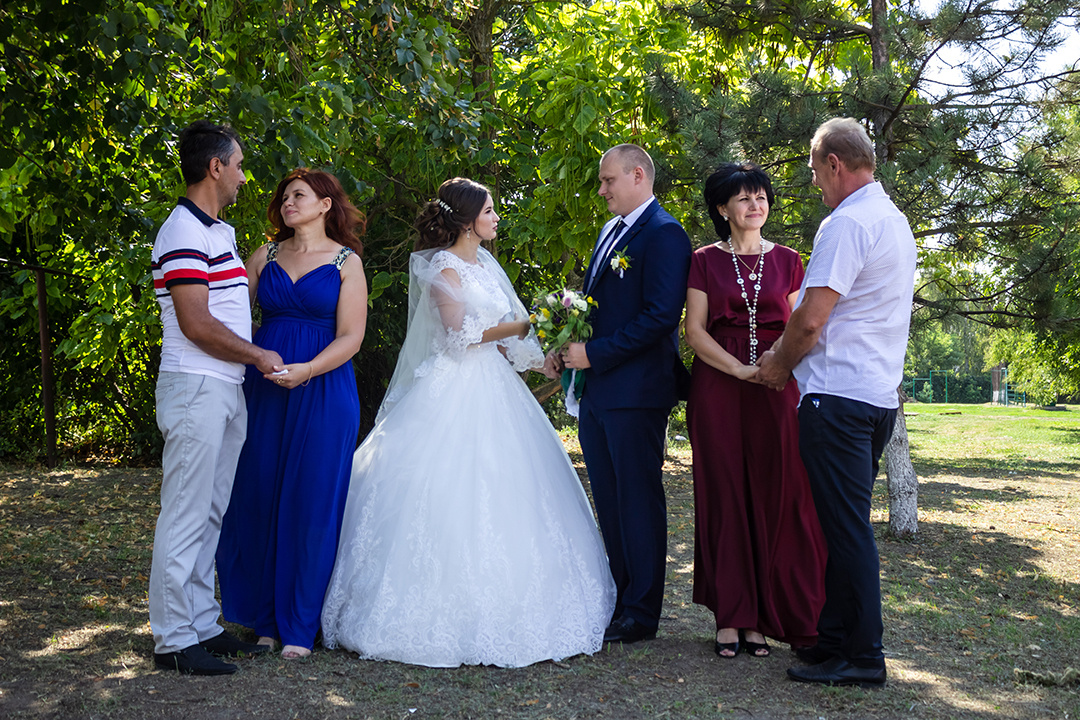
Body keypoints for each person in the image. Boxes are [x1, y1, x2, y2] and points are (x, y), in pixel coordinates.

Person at [320, 177, 616, 668]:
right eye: (490, 210)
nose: (497, 217)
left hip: (495, 387)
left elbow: (502, 343)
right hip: (451, 388)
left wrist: (541, 354)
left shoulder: (485, 266)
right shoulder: (442, 266)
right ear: (466, 218)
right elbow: (460, 336)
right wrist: (527, 323)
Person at [756, 118, 917, 687]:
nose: (816, 184)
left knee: (847, 530)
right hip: (874, 399)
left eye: (816, 172)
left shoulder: (846, 223)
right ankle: (833, 640)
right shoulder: (893, 220)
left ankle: (865, 656)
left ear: (834, 165)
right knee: (837, 525)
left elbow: (813, 318)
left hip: (839, 399)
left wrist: (777, 367)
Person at [216, 169, 368, 660]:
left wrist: (308, 370)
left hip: (323, 387)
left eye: (298, 195)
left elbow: (351, 337)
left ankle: (299, 626)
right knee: (258, 494)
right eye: (283, 196)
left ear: (326, 204)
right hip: (264, 387)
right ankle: (263, 620)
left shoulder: (348, 263)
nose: (287, 202)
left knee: (311, 501)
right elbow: (230, 315)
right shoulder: (264, 255)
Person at [546, 144, 692, 644]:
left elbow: (659, 317)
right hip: (598, 389)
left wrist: (596, 354)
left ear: (638, 175)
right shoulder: (611, 232)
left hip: (636, 389)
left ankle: (642, 611)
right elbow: (593, 307)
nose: (603, 189)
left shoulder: (666, 234)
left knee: (637, 498)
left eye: (609, 180)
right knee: (608, 498)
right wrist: (564, 348)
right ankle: (620, 596)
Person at [149, 120, 279, 675]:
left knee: (210, 510)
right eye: (241, 165)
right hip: (195, 384)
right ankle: (175, 640)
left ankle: (202, 623)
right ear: (215, 167)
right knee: (185, 510)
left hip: (223, 388)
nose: (245, 178)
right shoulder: (182, 231)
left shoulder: (219, 233)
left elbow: (226, 306)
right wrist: (257, 356)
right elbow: (196, 324)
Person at [684, 162, 827, 659]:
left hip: (777, 384)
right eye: (743, 198)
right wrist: (739, 371)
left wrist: (773, 369)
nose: (755, 205)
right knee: (724, 493)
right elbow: (695, 332)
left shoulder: (790, 260)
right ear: (723, 208)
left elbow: (801, 325)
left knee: (777, 492)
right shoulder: (703, 260)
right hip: (719, 388)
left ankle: (767, 615)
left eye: (761, 196)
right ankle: (732, 615)